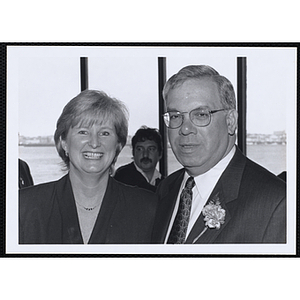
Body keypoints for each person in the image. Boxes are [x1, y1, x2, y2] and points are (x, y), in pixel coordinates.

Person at [152, 65, 286, 244]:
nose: (184, 129)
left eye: (200, 114)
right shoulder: (166, 188)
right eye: (176, 116)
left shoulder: (275, 203)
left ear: (230, 121)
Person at [19, 90, 158, 244]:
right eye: (83, 132)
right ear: (64, 142)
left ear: (118, 145)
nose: (94, 143)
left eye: (104, 133)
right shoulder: (23, 207)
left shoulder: (148, 208)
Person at [114, 126, 164, 192]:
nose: (145, 154)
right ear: (133, 153)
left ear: (160, 154)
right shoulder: (122, 176)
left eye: (151, 149)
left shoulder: (165, 183)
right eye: (140, 149)